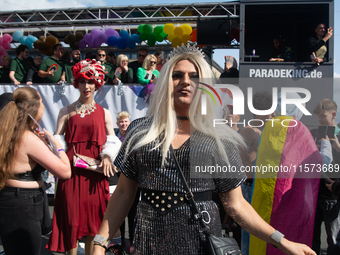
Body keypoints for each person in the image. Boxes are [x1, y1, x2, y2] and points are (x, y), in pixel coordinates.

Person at [92, 44, 317, 255]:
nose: (185, 81)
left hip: (201, 242)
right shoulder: (140, 132)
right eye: (177, 75)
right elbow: (123, 193)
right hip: (149, 242)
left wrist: (283, 241)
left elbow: (236, 205)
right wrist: (100, 241)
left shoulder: (220, 139)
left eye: (194, 76)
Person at [46, 59, 122, 255]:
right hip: (70, 175)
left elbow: (112, 141)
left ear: (97, 83)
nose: (86, 86)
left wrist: (107, 156)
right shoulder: (65, 111)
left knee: (94, 222)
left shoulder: (105, 113)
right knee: (70, 222)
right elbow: (57, 143)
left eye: (90, 81)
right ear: (76, 83)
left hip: (95, 176)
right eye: (82, 81)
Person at [249, 92, 331, 255]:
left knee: (264, 239)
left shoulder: (268, 128)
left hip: (264, 200)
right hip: (289, 201)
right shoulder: (299, 130)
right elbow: (320, 163)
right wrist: (327, 145)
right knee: (288, 241)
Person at [0, 87, 71, 255]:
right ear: (35, 107)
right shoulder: (27, 138)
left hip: (9, 199)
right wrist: (58, 146)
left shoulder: (8, 132)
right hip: (23, 204)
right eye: (42, 102)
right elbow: (65, 171)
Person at [239, 91, 275, 255]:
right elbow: (239, 162)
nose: (271, 114)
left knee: (263, 233)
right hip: (249, 188)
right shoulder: (248, 131)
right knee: (251, 233)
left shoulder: (269, 130)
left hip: (263, 187)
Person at [311, 99, 340, 255]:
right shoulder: (314, 133)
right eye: (318, 116)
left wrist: (337, 147)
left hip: (333, 197)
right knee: (311, 239)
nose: (320, 119)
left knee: (333, 242)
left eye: (323, 115)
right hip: (315, 194)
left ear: (334, 114)